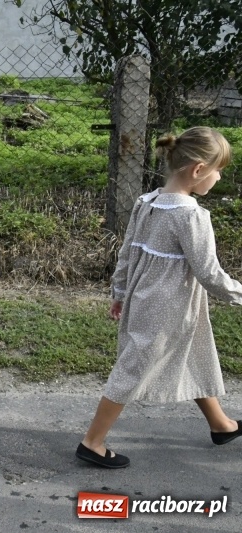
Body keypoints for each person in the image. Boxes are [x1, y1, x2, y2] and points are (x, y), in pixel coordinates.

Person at [76, 126, 242, 469]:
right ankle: (92, 443)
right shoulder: (191, 216)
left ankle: (221, 425)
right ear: (198, 170)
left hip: (147, 300)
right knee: (132, 370)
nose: (219, 178)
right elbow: (209, 274)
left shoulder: (147, 202)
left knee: (192, 354)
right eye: (218, 171)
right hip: (168, 309)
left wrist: (120, 292)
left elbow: (128, 252)